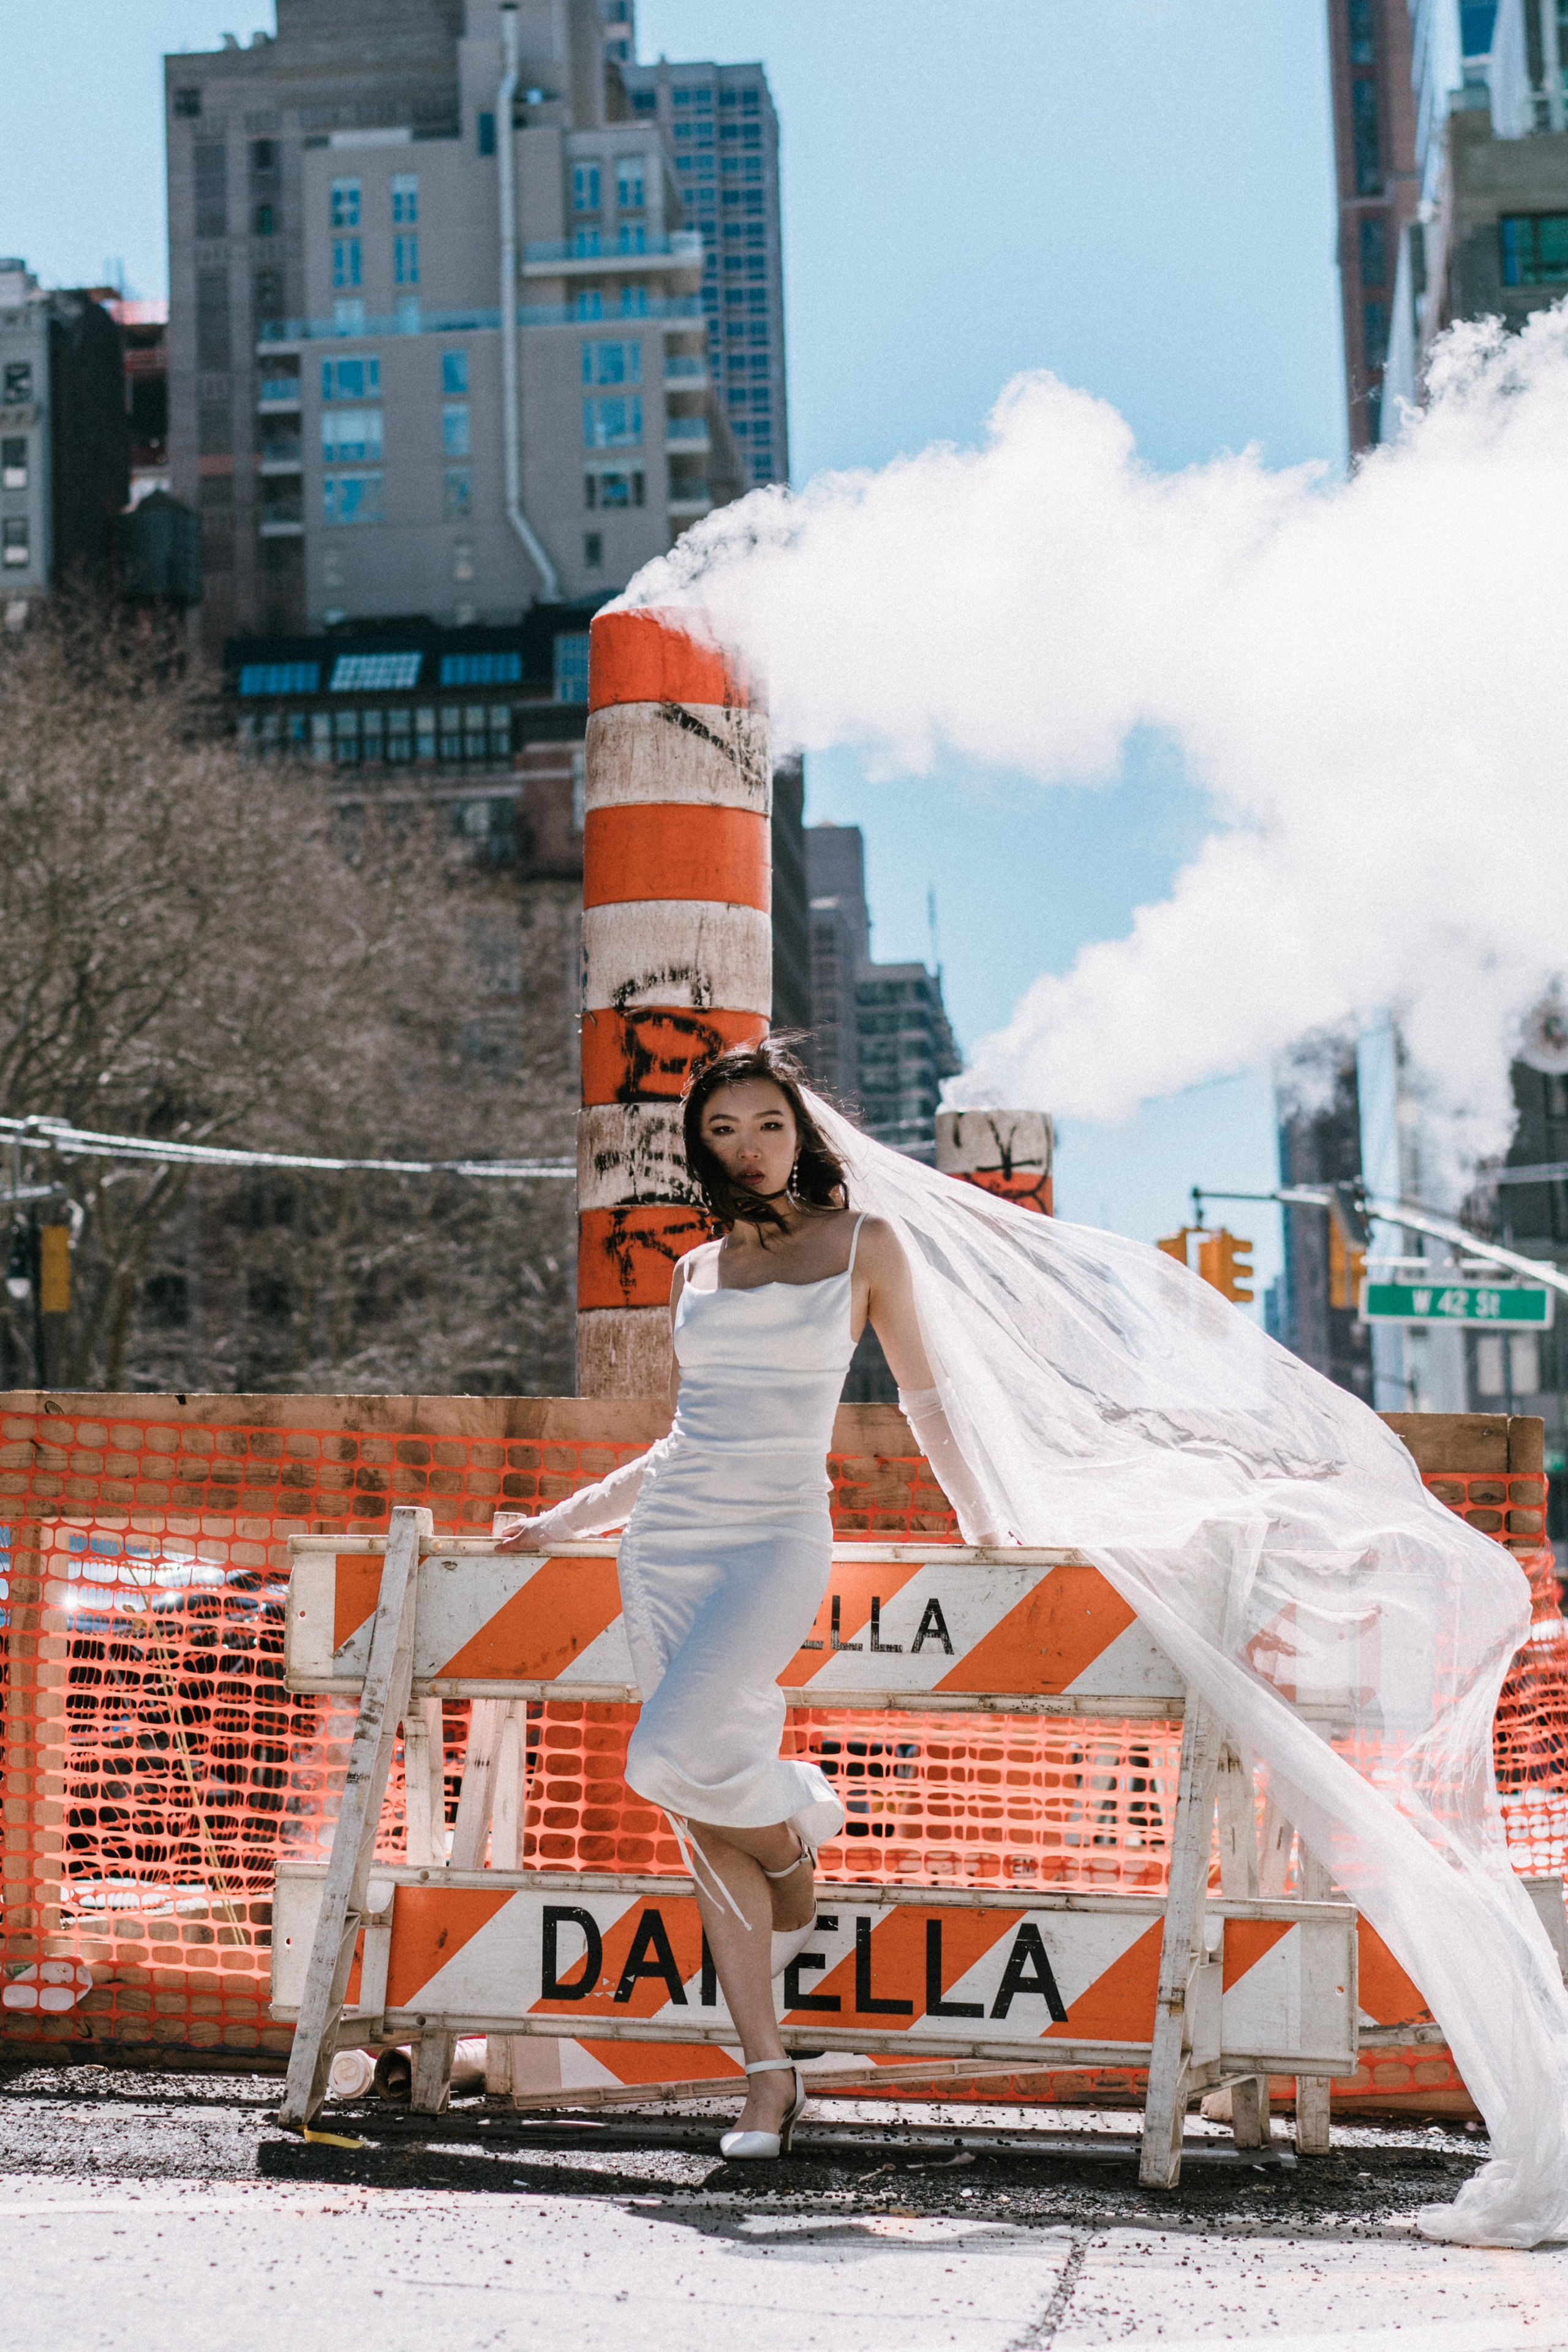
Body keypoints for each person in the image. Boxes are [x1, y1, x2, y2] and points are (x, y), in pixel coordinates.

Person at [497, 1037, 997, 2157]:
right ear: (702, 1150)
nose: (749, 1147)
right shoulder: (696, 1269)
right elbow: (684, 1440)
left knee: (662, 1756)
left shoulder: (869, 1242)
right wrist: (564, 1521)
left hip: (776, 1538)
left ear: (801, 1129)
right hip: (669, 1542)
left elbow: (924, 1399)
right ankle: (767, 2077)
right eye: (724, 1132)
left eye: (767, 1124)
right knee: (691, 1806)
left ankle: (786, 1844)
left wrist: (984, 1525)